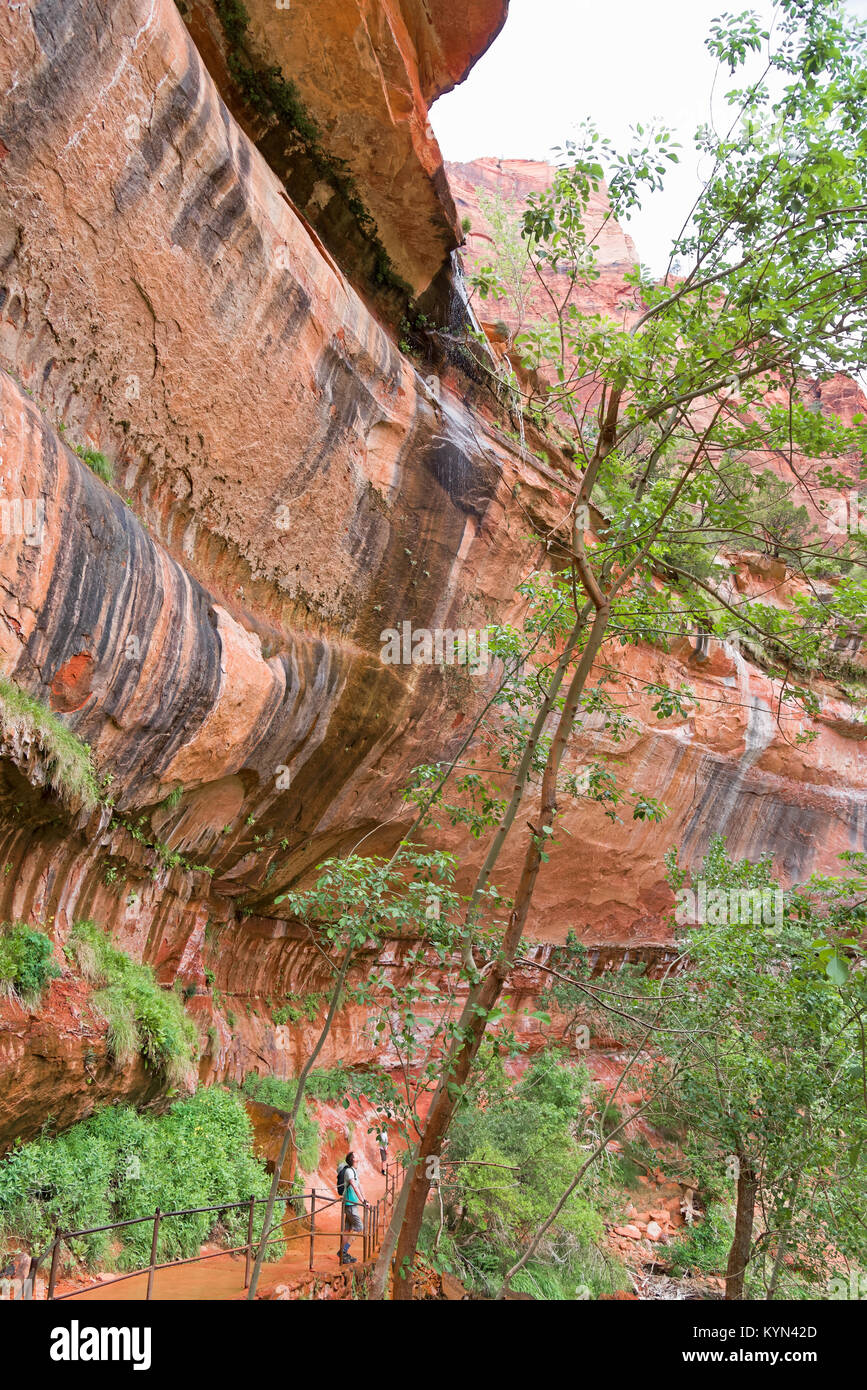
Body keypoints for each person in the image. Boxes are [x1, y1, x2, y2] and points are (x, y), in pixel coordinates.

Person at [337, 1150, 366, 1264]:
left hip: (352, 1204)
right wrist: (363, 1201)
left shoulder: (354, 1171)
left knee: (347, 1229)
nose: (358, 1156)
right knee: (359, 1227)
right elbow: (354, 1186)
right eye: (356, 1155)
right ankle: (343, 1251)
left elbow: (359, 1186)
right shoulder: (349, 1171)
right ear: (353, 1159)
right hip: (350, 1204)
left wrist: (364, 1199)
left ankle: (342, 1253)